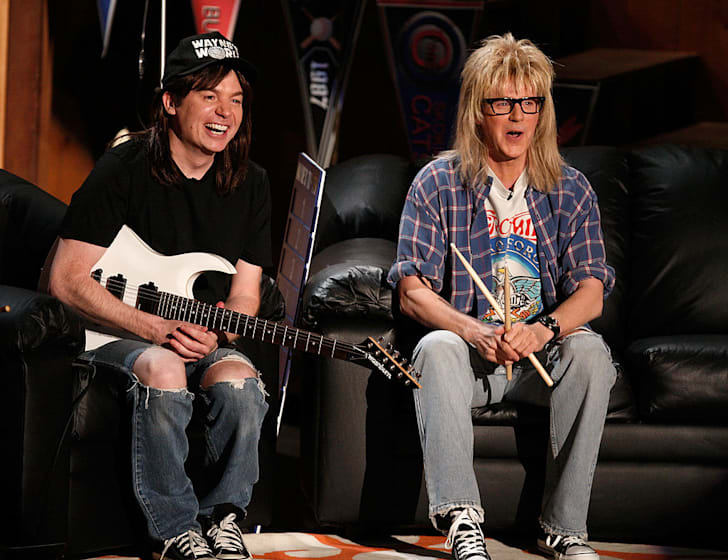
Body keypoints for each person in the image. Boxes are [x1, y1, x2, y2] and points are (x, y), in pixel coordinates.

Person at [388, 34, 617, 560]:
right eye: (501, 103)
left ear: (542, 112)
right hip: (473, 358)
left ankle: (564, 529)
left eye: (529, 103)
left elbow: (591, 292)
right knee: (436, 349)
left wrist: (542, 330)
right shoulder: (437, 184)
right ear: (477, 111)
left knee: (590, 353)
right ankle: (462, 520)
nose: (517, 116)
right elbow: (411, 291)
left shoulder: (571, 189)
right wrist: (472, 330)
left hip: (540, 357)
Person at [48, 31, 271, 560]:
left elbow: (246, 295)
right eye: (209, 96)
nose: (225, 113)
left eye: (236, 100)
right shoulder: (123, 169)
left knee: (241, 384)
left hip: (198, 334)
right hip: (115, 334)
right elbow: (65, 279)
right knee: (165, 367)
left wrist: (220, 334)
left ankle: (223, 519)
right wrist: (155, 329)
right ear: (171, 101)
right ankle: (175, 531)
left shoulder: (252, 183)